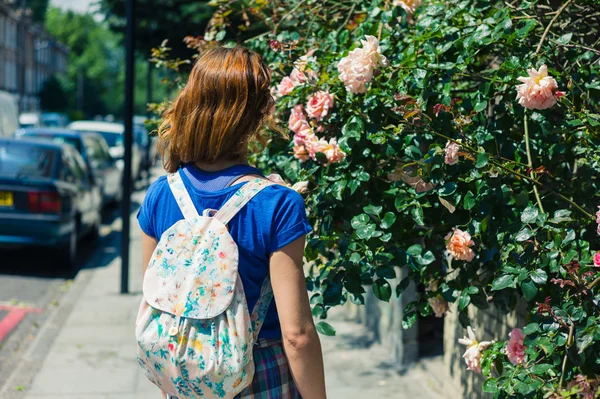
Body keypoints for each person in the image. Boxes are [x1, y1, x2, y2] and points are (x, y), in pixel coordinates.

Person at [137, 45, 327, 399]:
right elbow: (296, 335)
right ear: (254, 117)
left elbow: (160, 303)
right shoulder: (277, 204)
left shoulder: (160, 194)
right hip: (260, 376)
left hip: (187, 377)